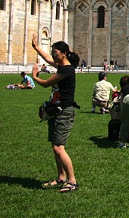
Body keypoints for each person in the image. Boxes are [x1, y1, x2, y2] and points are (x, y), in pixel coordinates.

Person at [31, 34, 80, 193]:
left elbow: (46, 84)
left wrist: (34, 77)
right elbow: (47, 59)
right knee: (55, 146)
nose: (53, 55)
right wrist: (37, 47)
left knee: (59, 147)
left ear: (63, 53)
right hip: (55, 110)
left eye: (55, 52)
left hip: (65, 111)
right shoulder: (62, 66)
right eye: (53, 52)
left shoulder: (66, 70)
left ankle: (72, 181)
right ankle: (61, 177)